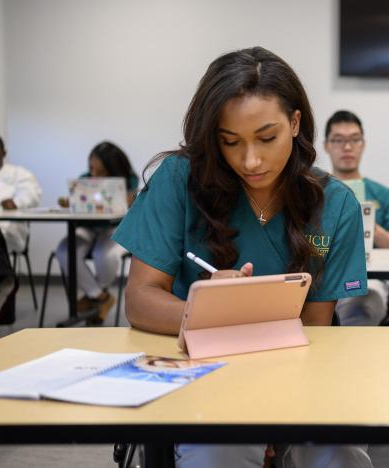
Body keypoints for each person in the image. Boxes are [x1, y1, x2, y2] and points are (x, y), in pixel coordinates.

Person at [112, 47, 372, 468]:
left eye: (267, 138)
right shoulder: (180, 182)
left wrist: (271, 411)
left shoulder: (334, 204)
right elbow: (140, 298)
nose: (250, 161)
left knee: (338, 453)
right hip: (199, 371)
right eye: (229, 142)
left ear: (295, 123)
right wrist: (209, 314)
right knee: (221, 449)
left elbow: (315, 328)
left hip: (298, 372)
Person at [323, 110, 389, 326]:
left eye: (354, 139)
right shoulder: (312, 191)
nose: (347, 147)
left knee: (360, 305)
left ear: (363, 144)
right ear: (326, 145)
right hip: (320, 278)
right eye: (338, 140)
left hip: (368, 279)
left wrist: (368, 226)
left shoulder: (383, 195)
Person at [55, 141, 137, 324]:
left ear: (114, 169)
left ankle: (92, 298)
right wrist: (72, 203)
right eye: (92, 169)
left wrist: (128, 200)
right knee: (64, 251)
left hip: (114, 227)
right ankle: (101, 297)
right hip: (87, 227)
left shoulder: (129, 180)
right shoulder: (84, 179)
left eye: (101, 172)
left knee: (105, 255)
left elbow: (128, 205)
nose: (93, 175)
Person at [0, 132, 42, 254]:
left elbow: (32, 195)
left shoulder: (19, 173)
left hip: (9, 227)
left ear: (3, 154)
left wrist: (16, 203)